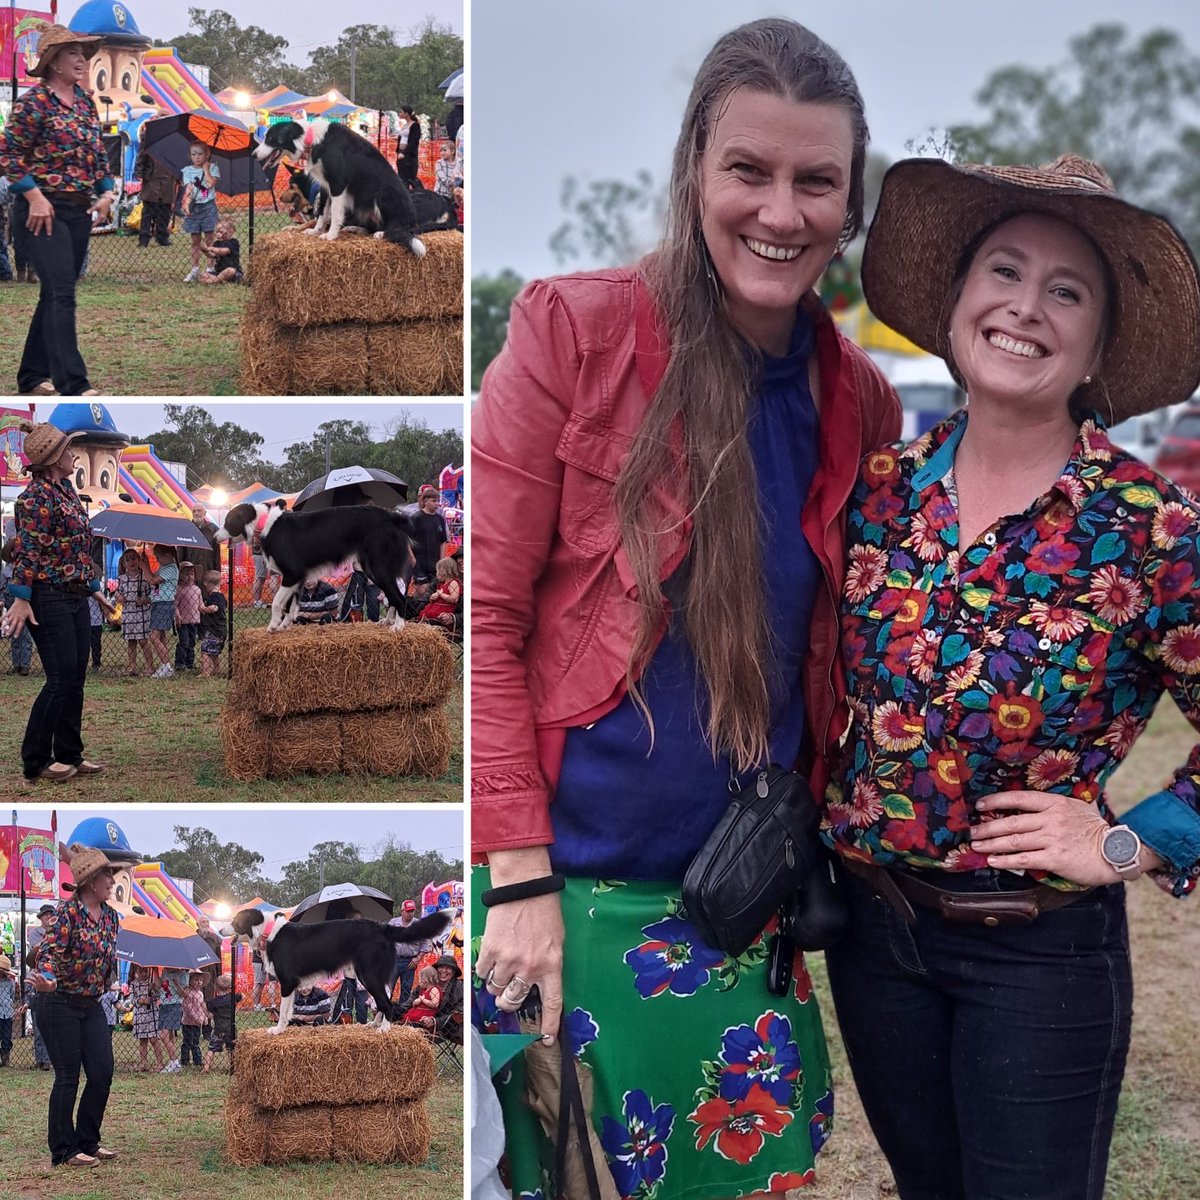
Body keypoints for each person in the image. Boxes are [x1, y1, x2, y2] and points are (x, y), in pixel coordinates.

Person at [471, 19, 899, 1197]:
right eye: (749, 171)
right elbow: (485, 625)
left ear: (849, 204)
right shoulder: (574, 330)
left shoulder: (859, 398)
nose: (782, 209)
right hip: (563, 909)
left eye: (817, 181)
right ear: (694, 172)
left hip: (742, 915)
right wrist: (516, 879)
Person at [823, 153, 1200, 1200]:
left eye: (1065, 290)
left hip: (1038, 958)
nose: (1025, 307)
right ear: (955, 303)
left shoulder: (1148, 528)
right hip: (875, 942)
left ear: (1098, 344)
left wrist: (1125, 840)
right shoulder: (883, 493)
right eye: (1003, 271)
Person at [0, 25, 115, 397]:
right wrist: (33, 196)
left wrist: (107, 193)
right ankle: (73, 385)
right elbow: (9, 155)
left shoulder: (85, 103)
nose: (82, 59)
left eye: (84, 52)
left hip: (77, 211)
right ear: (52, 62)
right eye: (73, 53)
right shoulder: (33, 104)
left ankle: (32, 378)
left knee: (54, 291)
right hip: (40, 211)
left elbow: (97, 155)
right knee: (62, 291)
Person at [5, 421, 114, 783]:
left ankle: (69, 754)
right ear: (54, 460)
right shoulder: (34, 498)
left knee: (75, 678)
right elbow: (27, 552)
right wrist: (21, 598)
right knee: (59, 679)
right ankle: (36, 760)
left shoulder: (65, 490)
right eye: (68, 450)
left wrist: (94, 587)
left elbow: (76, 550)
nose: (73, 454)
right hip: (47, 597)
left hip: (75, 595)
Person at [31, 845, 121, 1167]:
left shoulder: (112, 917)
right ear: (90, 881)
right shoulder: (67, 914)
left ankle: (88, 1141)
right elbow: (47, 954)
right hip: (58, 1002)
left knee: (102, 1072)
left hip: (91, 1003)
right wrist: (46, 977)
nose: (112, 880)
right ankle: (64, 1150)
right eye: (107, 874)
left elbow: (105, 958)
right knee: (68, 1076)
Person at [181, 142, 220, 283]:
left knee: (210, 237)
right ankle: (195, 268)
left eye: (200, 154)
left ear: (207, 154)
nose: (197, 157)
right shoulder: (187, 170)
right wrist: (186, 203)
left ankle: (210, 266)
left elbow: (210, 184)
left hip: (208, 206)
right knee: (195, 239)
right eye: (194, 154)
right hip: (195, 207)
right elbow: (189, 188)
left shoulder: (213, 168)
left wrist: (206, 169)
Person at [116, 549, 154, 676]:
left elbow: (152, 594)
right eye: (127, 560)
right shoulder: (122, 579)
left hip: (142, 613)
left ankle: (150, 666)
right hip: (128, 613)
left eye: (133, 558)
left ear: (139, 560)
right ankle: (132, 667)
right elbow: (118, 592)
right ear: (123, 564)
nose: (131, 562)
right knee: (131, 641)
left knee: (143, 640)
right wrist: (119, 597)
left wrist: (145, 599)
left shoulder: (145, 577)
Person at [387, 899, 432, 1003]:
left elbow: (426, 944)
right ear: (402, 911)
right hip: (394, 959)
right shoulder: (393, 923)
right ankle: (386, 1011)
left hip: (410, 961)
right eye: (408, 911)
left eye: (412, 911)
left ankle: (402, 1013)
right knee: (389, 986)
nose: (410, 913)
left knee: (406, 988)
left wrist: (418, 958)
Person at [2, 537, 35, 675]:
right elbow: (2, 587)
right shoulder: (6, 570)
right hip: (10, 601)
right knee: (14, 633)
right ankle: (17, 664)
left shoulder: (27, 569)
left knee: (26, 634)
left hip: (24, 601)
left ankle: (25, 665)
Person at [133, 148, 176, 248]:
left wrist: (179, 176)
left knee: (165, 211)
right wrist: (139, 173)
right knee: (148, 212)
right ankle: (144, 239)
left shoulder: (174, 144)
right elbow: (141, 157)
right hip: (151, 180)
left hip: (168, 181)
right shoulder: (150, 139)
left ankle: (162, 237)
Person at [147, 544, 178, 677]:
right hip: (159, 603)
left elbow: (153, 581)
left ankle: (166, 665)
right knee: (161, 635)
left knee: (153, 636)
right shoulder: (163, 567)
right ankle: (165, 664)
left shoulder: (171, 569)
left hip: (164, 604)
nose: (157, 559)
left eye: (158, 557)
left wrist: (144, 567)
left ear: (168, 555)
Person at [203, 972, 241, 1074]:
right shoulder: (233, 997)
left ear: (215, 987)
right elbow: (243, 996)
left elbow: (210, 1016)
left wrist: (204, 1009)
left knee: (212, 1048)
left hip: (218, 1029)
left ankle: (206, 1067)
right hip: (230, 1028)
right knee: (231, 1049)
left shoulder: (213, 1002)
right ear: (229, 987)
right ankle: (233, 1067)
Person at [129, 964, 165, 1071]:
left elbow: (158, 995)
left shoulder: (151, 983)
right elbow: (131, 998)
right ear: (136, 971)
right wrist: (140, 1001)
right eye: (141, 971)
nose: (144, 974)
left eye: (146, 971)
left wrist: (153, 990)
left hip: (152, 1014)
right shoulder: (134, 984)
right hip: (140, 1015)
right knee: (143, 1041)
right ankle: (144, 1063)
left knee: (154, 1040)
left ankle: (160, 1063)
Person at [411, 485, 449, 582]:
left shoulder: (440, 519)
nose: (437, 504)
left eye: (437, 501)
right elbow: (407, 540)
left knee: (434, 590)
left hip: (435, 563)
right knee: (421, 592)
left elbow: (443, 541)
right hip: (420, 562)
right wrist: (412, 559)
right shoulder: (416, 518)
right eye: (433, 501)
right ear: (425, 501)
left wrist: (442, 561)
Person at [416, 556, 461, 628]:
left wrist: (441, 594)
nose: (436, 574)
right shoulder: (441, 584)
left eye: (437, 571)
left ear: (444, 572)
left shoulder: (453, 583)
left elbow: (454, 599)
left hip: (444, 611)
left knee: (433, 621)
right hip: (435, 608)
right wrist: (433, 598)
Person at [173, 561, 202, 671]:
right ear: (180, 576)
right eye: (186, 573)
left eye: (191, 573)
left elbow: (200, 604)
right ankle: (180, 663)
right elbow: (175, 604)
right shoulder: (179, 589)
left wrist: (206, 609)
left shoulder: (197, 589)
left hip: (194, 620)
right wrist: (177, 615)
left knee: (192, 642)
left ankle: (190, 663)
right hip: (183, 621)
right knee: (184, 642)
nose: (189, 576)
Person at [199, 569, 227, 677]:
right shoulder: (221, 596)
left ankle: (206, 672)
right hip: (221, 629)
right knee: (215, 651)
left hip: (213, 629)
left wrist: (204, 608)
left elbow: (214, 608)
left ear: (206, 583)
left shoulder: (214, 596)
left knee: (205, 650)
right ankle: (217, 669)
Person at [199, 217, 242, 284]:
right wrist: (205, 251)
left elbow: (224, 251)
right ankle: (219, 280)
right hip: (219, 271)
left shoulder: (233, 242)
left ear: (230, 232)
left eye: (221, 232)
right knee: (202, 274)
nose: (218, 234)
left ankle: (215, 281)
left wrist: (211, 248)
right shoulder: (217, 243)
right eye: (217, 232)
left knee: (231, 270)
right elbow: (212, 255)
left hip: (232, 272)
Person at [180, 972, 207, 1066]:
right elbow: (187, 1008)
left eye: (201, 980)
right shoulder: (188, 992)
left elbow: (201, 1007)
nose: (199, 982)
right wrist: (196, 1018)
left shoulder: (200, 993)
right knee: (187, 1042)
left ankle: (197, 1060)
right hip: (188, 1022)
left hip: (197, 1023)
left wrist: (204, 1017)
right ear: (189, 981)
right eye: (196, 980)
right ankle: (185, 1059)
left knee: (196, 1041)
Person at [187, 504, 219, 575]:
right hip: (190, 571)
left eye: (199, 511)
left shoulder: (212, 529)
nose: (196, 513)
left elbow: (217, 552)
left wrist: (217, 571)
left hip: (208, 569)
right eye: (194, 511)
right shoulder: (187, 528)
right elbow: (181, 551)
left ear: (205, 513)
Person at [396, 105, 422, 188]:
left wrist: (405, 153)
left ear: (406, 113)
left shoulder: (415, 126)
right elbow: (400, 139)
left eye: (401, 112)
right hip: (401, 154)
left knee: (411, 178)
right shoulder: (404, 126)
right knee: (402, 179)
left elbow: (414, 142)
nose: (399, 114)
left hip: (409, 156)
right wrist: (399, 151)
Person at [0, 953, 14, 1067]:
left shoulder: (10, 982)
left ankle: (5, 1059)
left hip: (7, 1013)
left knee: (6, 1037)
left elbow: (12, 996)